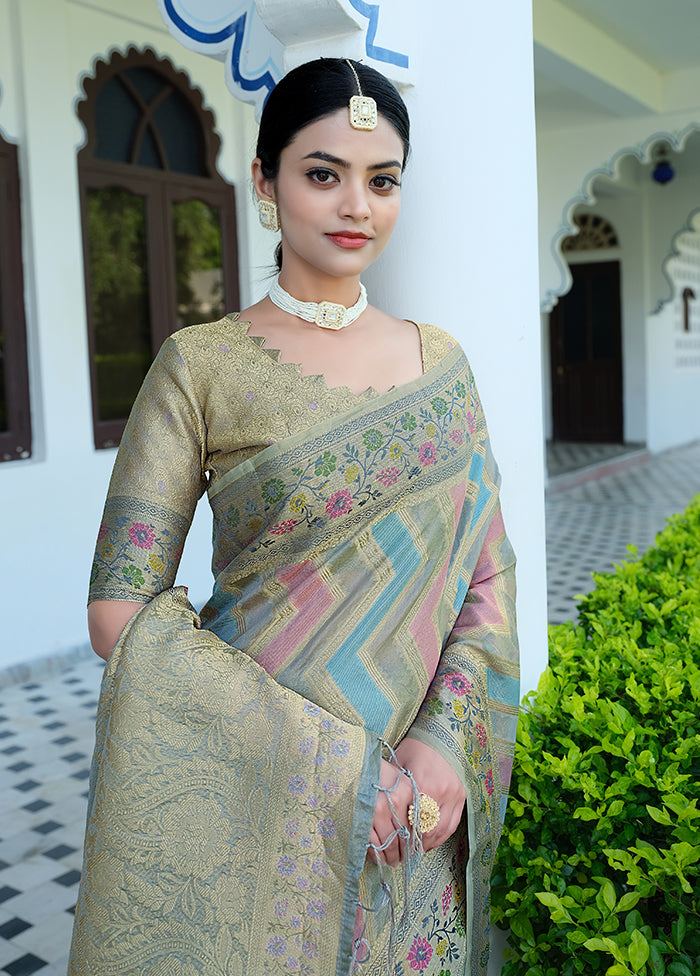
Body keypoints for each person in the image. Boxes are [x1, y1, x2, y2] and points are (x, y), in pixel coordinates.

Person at [68, 58, 519, 976]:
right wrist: (329, 760)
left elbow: (486, 577)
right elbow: (120, 607)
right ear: (266, 184)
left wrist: (444, 745)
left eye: (382, 179)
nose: (357, 204)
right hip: (259, 788)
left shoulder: (443, 367)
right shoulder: (200, 365)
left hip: (418, 808)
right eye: (324, 173)